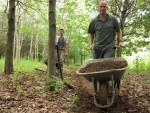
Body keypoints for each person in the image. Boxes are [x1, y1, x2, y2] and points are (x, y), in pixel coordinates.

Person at [88, 0, 124, 95]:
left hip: (109, 47)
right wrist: (91, 44)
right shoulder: (94, 21)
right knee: (98, 69)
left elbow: (118, 31)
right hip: (97, 48)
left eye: (104, 6)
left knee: (107, 65)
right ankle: (100, 85)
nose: (103, 8)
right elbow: (91, 33)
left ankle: (108, 84)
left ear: (107, 8)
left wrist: (120, 41)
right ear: (98, 8)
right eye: (101, 6)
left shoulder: (113, 19)